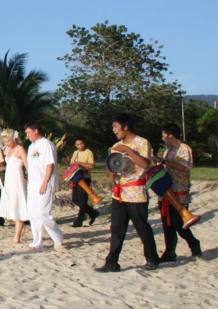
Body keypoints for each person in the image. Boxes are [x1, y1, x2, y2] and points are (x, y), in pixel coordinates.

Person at [96, 114, 160, 272]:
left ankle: (152, 258)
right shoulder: (116, 146)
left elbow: (145, 164)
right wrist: (109, 172)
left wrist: (128, 150)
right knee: (117, 227)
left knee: (141, 227)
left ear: (125, 126)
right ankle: (112, 262)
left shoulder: (142, 143)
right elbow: (109, 165)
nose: (114, 130)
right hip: (119, 192)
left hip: (136, 192)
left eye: (116, 127)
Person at [151, 124, 202, 261]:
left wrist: (164, 161)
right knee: (166, 223)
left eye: (164, 136)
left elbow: (183, 167)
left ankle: (193, 243)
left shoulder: (185, 149)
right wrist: (155, 161)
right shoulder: (168, 150)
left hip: (179, 192)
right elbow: (163, 168)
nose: (163, 139)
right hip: (166, 191)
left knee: (178, 222)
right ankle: (170, 252)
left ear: (170, 135)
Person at [25, 121, 65, 251]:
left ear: (36, 131)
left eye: (29, 133)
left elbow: (50, 164)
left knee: (43, 212)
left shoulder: (47, 145)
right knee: (33, 213)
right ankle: (37, 240)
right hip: (32, 184)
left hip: (44, 183)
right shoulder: (31, 147)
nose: (28, 135)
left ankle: (58, 238)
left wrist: (45, 182)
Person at [0, 129, 30, 244]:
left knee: (18, 206)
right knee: (9, 207)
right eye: (5, 141)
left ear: (14, 139)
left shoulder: (21, 150)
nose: (6, 143)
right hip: (9, 180)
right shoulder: (8, 150)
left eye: (8, 141)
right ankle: (23, 228)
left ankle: (17, 238)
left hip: (17, 181)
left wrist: (30, 177)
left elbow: (27, 166)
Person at [63, 136, 99, 227]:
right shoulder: (75, 153)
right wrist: (67, 162)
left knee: (83, 200)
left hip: (84, 177)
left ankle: (79, 221)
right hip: (76, 177)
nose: (80, 146)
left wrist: (80, 163)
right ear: (75, 145)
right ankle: (92, 213)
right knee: (75, 199)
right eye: (78, 144)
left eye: (81, 144)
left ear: (84, 143)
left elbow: (92, 166)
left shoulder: (88, 152)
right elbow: (73, 165)